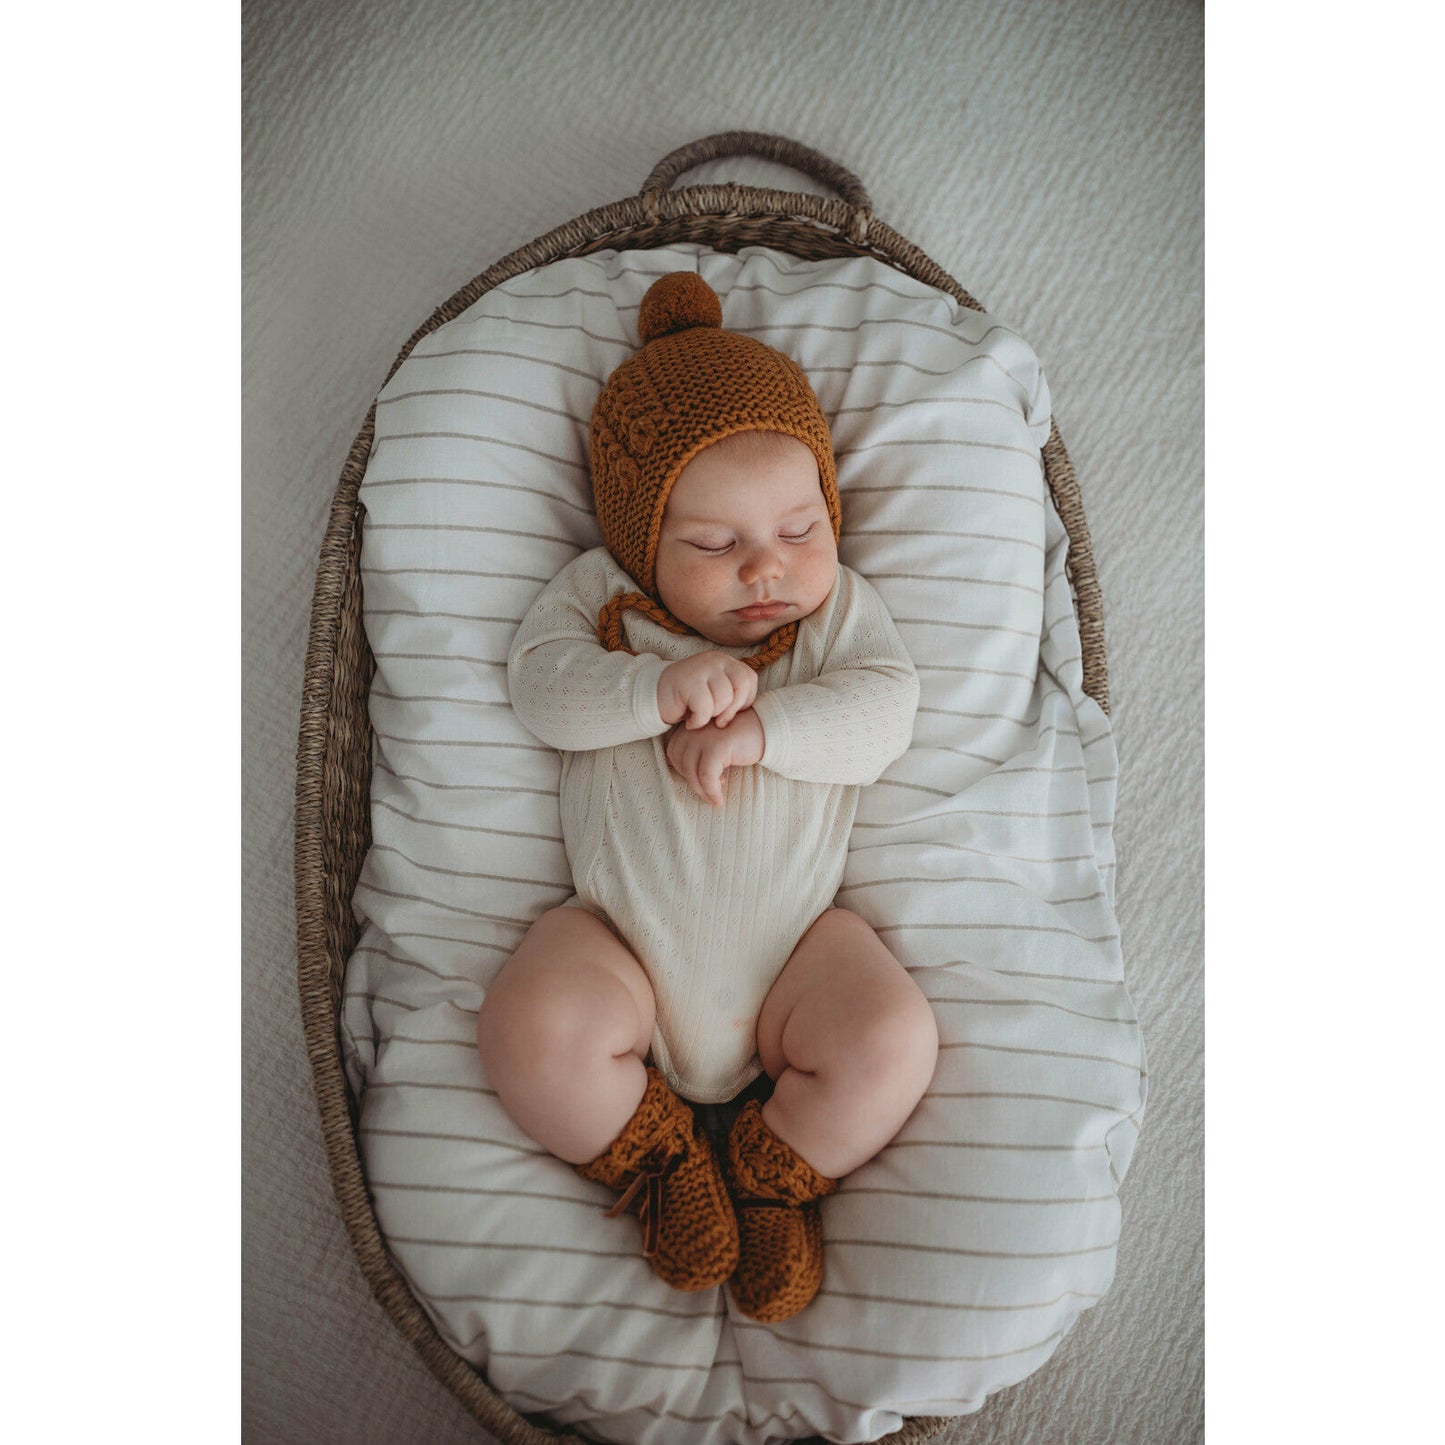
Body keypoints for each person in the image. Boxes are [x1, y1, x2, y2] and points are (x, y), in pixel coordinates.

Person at [476, 272, 938, 1324]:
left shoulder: (832, 617)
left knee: (889, 1038)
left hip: (796, 949)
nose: (764, 567)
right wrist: (651, 687)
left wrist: (767, 727)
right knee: (532, 1023)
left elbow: (885, 710)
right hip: (619, 942)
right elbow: (541, 690)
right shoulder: (604, 599)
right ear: (644, 539)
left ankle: (776, 1175)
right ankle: (659, 1159)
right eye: (713, 545)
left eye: (797, 528)